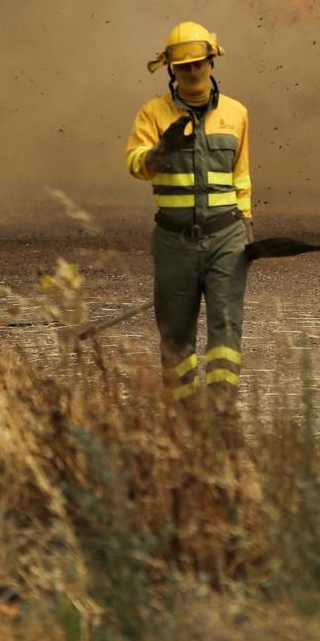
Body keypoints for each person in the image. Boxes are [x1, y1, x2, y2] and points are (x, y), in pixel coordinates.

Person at [124, 21, 253, 403]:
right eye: (184, 66)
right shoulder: (152, 115)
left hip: (226, 237)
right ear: (171, 70)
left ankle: (220, 409)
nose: (193, 72)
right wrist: (158, 153)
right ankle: (184, 418)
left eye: (200, 63)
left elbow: (240, 175)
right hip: (174, 241)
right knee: (176, 332)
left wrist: (245, 225)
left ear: (213, 62)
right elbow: (134, 164)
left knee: (226, 327)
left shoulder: (236, 114)